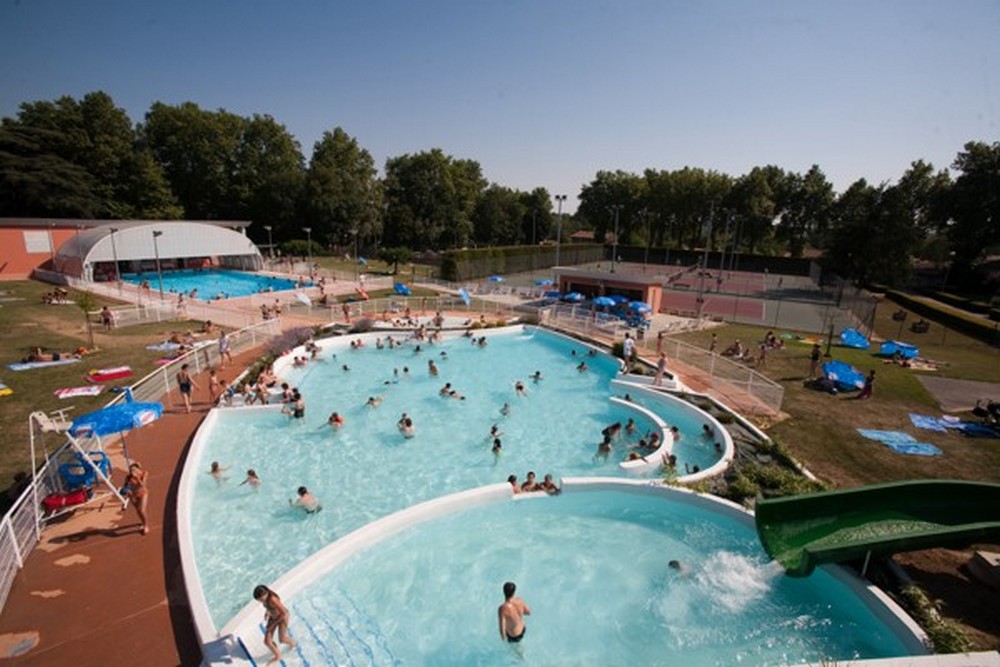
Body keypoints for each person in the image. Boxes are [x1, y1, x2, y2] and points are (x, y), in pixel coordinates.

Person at [253, 585, 296, 664]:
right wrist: (267, 612)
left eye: (261, 599)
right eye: (259, 600)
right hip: (273, 617)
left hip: (282, 618)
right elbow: (271, 607)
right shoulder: (266, 597)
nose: (261, 601)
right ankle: (278, 655)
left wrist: (272, 625)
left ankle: (294, 644)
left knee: (282, 639)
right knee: (267, 641)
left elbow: (284, 613)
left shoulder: (273, 599)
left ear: (266, 593)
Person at [122, 462, 149, 535]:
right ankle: (142, 522)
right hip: (133, 495)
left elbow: (143, 485)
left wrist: (137, 478)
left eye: (134, 469)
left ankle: (146, 525)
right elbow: (125, 486)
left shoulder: (144, 474)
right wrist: (126, 490)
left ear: (138, 469)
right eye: (131, 470)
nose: (132, 471)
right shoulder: (128, 477)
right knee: (138, 511)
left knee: (142, 510)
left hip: (143, 494)